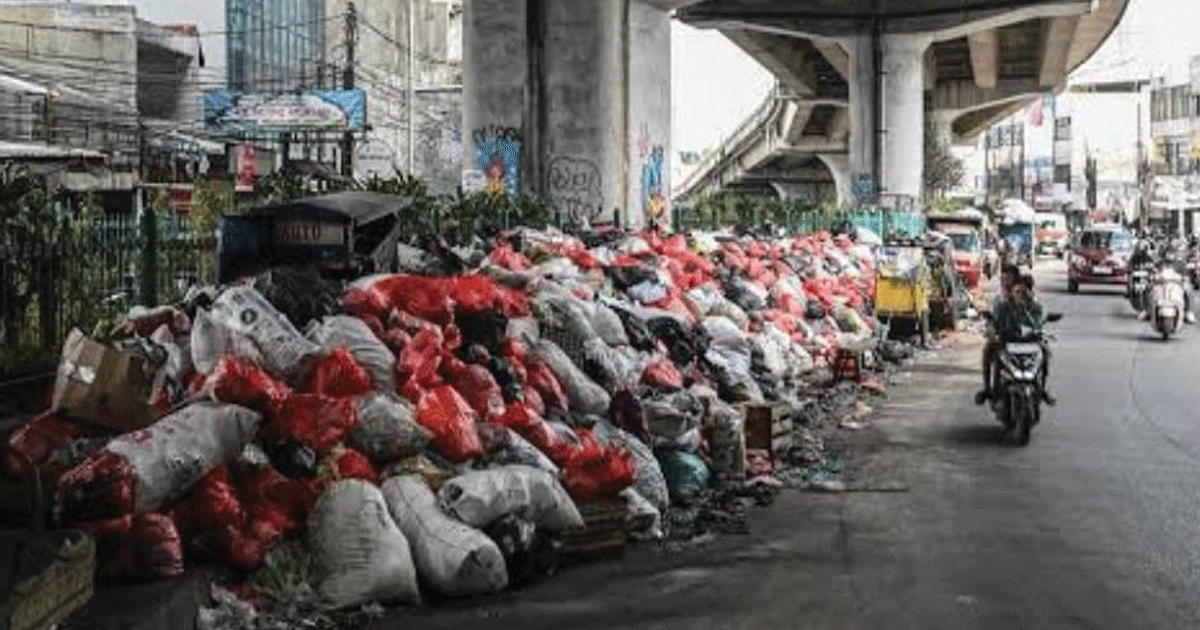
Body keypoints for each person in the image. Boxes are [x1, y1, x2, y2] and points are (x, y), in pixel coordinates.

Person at [975, 264, 1020, 406]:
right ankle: (988, 388)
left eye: (1009, 278)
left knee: (1044, 352)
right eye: (1003, 278)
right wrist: (991, 330)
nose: (1005, 281)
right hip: (1004, 337)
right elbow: (993, 320)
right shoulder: (999, 298)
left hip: (1022, 338)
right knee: (989, 351)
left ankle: (1041, 389)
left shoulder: (1023, 294)